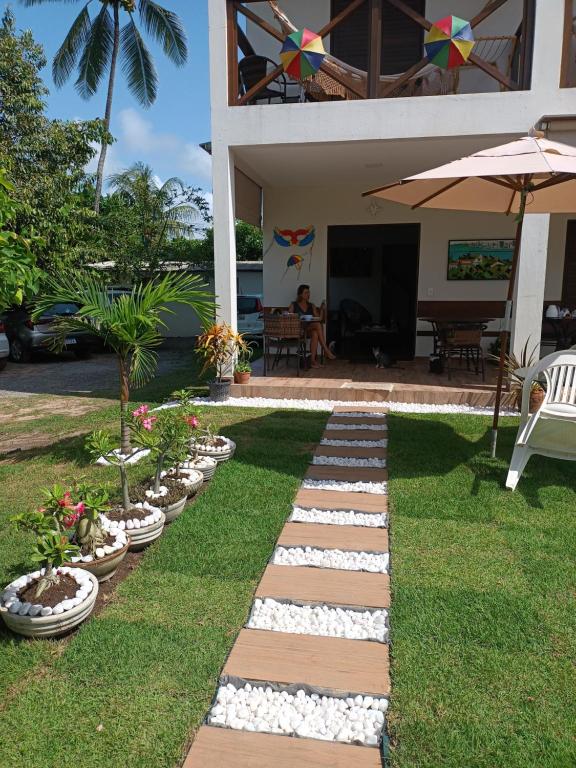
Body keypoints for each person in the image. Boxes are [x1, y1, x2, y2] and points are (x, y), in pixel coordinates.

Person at [288, 284, 336, 368]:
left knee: (316, 327)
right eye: (306, 293)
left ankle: (314, 361)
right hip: (298, 330)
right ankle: (325, 351)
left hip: (308, 330)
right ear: (300, 294)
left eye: (309, 293)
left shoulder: (311, 305)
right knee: (315, 333)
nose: (308, 295)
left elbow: (318, 319)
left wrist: (322, 309)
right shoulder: (294, 305)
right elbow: (288, 318)